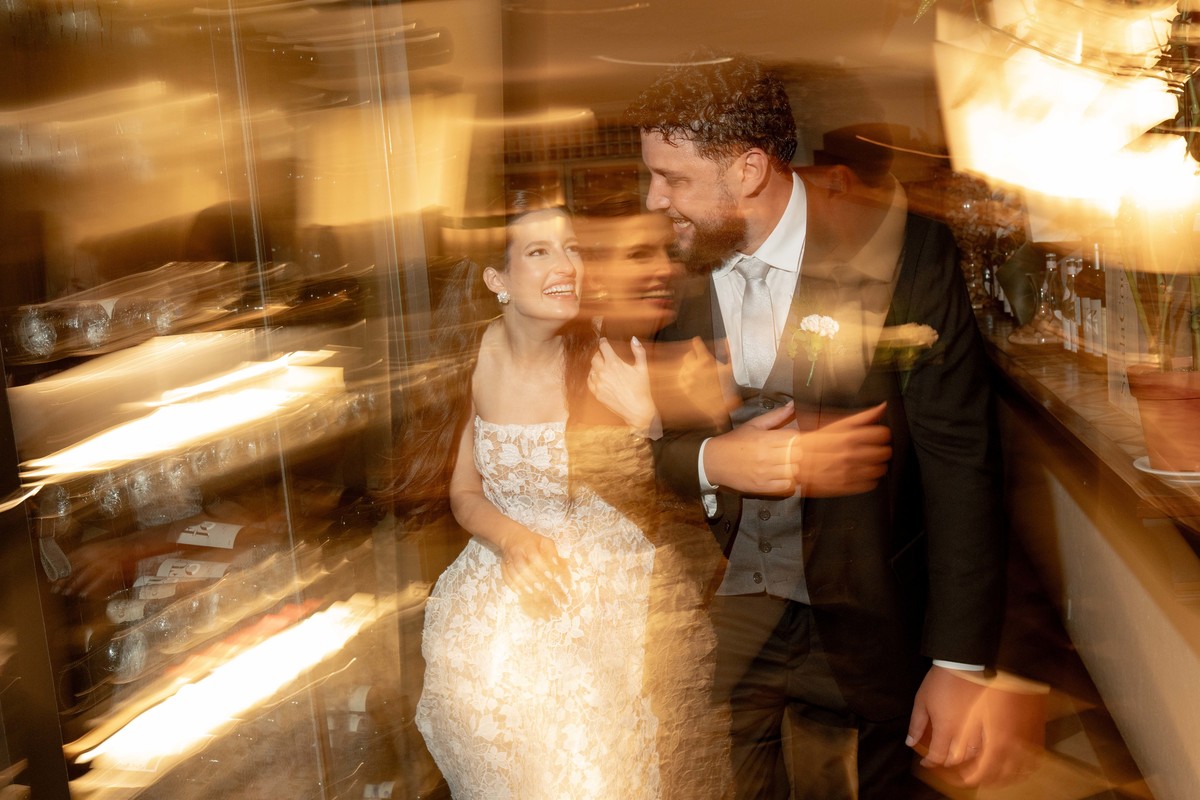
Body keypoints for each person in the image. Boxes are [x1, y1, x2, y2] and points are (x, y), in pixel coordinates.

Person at [625, 56, 1008, 799]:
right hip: (723, 618)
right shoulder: (664, 268)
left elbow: (961, 460)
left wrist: (959, 661)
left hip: (872, 611)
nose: (653, 199)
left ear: (748, 170)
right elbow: (639, 449)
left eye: (672, 178)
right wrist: (711, 460)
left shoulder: (905, 254)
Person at [387, 192, 724, 799]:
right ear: (497, 279)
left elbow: (668, 498)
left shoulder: (606, 354)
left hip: (600, 592)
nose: (566, 266)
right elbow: (464, 490)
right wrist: (513, 539)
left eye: (571, 249)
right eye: (539, 252)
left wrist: (647, 421)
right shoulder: (470, 359)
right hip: (499, 581)